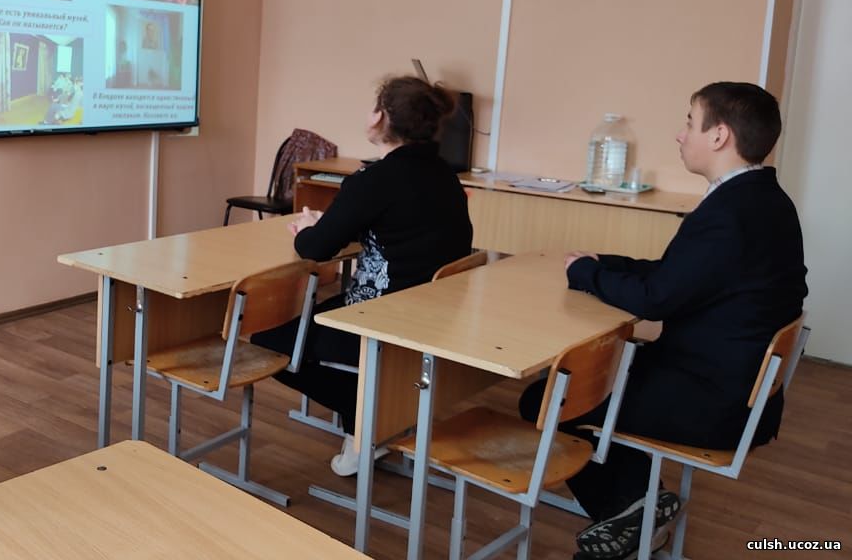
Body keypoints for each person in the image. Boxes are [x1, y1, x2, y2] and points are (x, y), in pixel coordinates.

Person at [522, 82, 806, 560]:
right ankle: (640, 506)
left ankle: (631, 512)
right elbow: (681, 275)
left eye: (690, 123)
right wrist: (606, 263)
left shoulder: (729, 213)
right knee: (603, 377)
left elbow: (656, 299)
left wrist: (585, 274)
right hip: (737, 386)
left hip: (713, 400)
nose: (680, 134)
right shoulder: (765, 200)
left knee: (548, 398)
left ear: (719, 135)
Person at [251, 75, 473, 475]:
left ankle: (368, 420)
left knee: (268, 343)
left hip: (380, 323)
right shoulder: (445, 176)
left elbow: (315, 250)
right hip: (432, 318)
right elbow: (405, 227)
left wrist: (309, 229)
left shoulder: (374, 181)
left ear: (380, 117)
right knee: (317, 319)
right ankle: (372, 420)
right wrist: (335, 222)